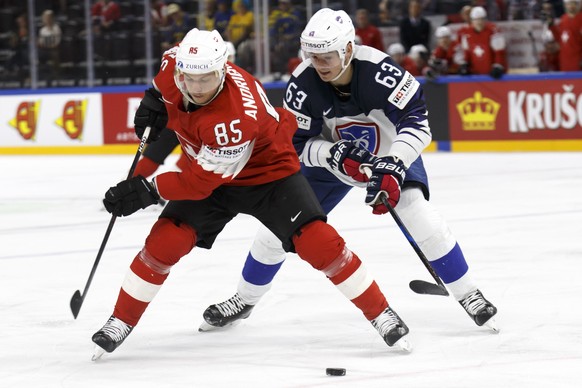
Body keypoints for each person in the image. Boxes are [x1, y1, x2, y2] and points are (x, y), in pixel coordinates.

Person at [91, 28, 411, 359]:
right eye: (189, 79)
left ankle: (381, 313)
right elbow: (166, 74)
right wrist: (154, 97)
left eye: (207, 79)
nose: (197, 88)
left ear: (224, 69)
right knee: (164, 242)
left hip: (268, 175)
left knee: (319, 243)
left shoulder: (236, 117)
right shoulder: (176, 63)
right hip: (212, 171)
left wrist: (147, 189)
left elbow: (200, 182)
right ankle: (121, 320)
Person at [201, 8, 498, 336]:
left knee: (417, 211)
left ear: (347, 49)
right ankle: (245, 299)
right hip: (329, 164)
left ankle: (469, 293)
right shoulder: (303, 83)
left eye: (326, 56)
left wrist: (394, 161)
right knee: (275, 228)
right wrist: (330, 154)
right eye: (312, 56)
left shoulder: (381, 72)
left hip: (389, 151)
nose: (319, 64)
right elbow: (293, 145)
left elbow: (418, 123)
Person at [458, 6, 507, 78]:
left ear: (485, 20)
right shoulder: (467, 34)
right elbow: (467, 52)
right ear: (472, 21)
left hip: (492, 75)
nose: (479, 22)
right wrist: (464, 64)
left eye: (482, 19)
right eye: (476, 20)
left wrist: (498, 66)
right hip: (475, 75)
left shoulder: (493, 31)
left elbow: (499, 52)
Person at [547, 0, 582, 71]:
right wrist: (551, 25)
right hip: (565, 59)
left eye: (574, 3)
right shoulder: (563, 18)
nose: (571, 6)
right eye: (569, 4)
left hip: (578, 59)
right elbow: (559, 37)